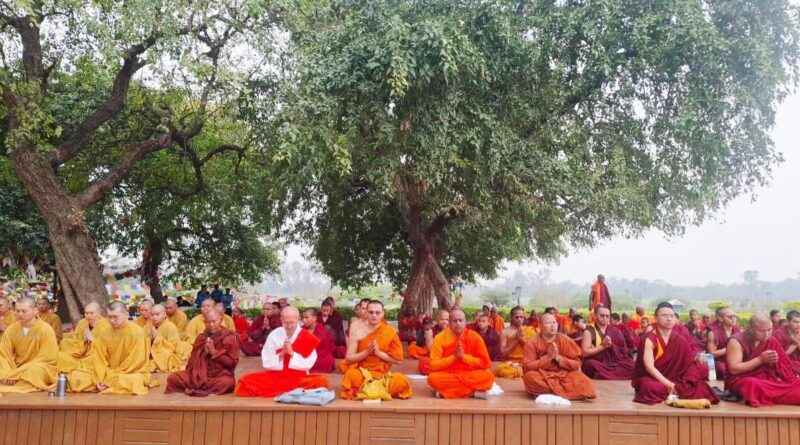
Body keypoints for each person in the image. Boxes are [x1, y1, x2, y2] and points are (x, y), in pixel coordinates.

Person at [631, 302, 718, 405]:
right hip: (653, 378)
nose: (669, 319)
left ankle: (675, 393)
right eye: (664, 315)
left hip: (675, 378)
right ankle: (676, 393)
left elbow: (689, 363)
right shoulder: (649, 339)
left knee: (702, 385)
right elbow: (649, 367)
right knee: (649, 387)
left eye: (671, 316)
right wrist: (670, 385)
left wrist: (687, 378)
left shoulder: (679, 339)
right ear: (655, 318)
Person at [236, 306, 328, 397]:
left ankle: (288, 390)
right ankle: (294, 391)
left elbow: (308, 364)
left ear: (298, 319)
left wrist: (292, 354)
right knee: (245, 382)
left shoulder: (307, 337)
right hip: (277, 377)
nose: (289, 326)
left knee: (321, 380)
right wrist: (282, 353)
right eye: (285, 323)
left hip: (299, 378)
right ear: (281, 319)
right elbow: (266, 361)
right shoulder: (274, 335)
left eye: (292, 322)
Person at [66, 301, 155, 394]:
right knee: (76, 377)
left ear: (126, 314)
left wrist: (110, 376)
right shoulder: (104, 331)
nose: (111, 320)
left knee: (134, 381)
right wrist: (101, 377)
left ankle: (107, 384)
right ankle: (106, 385)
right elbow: (99, 358)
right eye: (109, 316)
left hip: (128, 373)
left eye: (115, 317)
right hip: (107, 371)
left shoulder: (137, 332)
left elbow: (135, 363)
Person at [340, 300, 411, 400]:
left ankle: (369, 390)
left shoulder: (390, 331)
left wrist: (378, 353)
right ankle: (379, 390)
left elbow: (398, 360)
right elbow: (348, 359)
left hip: (383, 375)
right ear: (366, 313)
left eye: (377, 312)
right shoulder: (357, 332)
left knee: (401, 380)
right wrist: (367, 352)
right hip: (363, 374)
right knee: (350, 375)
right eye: (371, 312)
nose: (374, 315)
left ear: (382, 314)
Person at [726, 313, 800, 407]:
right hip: (742, 380)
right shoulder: (736, 341)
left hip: (769, 380)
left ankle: (777, 394)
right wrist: (760, 360)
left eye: (769, 330)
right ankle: (778, 395)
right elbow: (734, 369)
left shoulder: (771, 340)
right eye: (761, 331)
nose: (767, 334)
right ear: (750, 328)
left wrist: (791, 380)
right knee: (752, 384)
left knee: (796, 383)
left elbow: (785, 365)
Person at [165, 309, 240, 396]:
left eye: (214, 321)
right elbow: (191, 363)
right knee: (173, 378)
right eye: (208, 322)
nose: (211, 325)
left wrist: (214, 352)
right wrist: (203, 352)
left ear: (221, 320)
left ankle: (199, 387)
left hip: (218, 376)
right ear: (204, 322)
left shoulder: (230, 338)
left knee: (227, 383)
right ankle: (202, 386)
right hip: (197, 375)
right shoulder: (201, 338)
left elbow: (232, 363)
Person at [522, 312, 596, 400]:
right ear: (540, 325)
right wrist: (548, 358)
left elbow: (576, 364)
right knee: (530, 378)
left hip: (565, 375)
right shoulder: (532, 342)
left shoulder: (565, 339)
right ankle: (568, 393)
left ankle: (550, 394)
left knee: (585, 381)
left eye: (554, 322)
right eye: (548, 323)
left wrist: (558, 358)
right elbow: (527, 367)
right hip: (542, 375)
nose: (552, 325)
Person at [427, 309, 495, 399]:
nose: (458, 323)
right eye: (455, 321)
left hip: (469, 373)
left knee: (488, 377)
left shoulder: (475, 337)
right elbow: (434, 365)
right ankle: (473, 393)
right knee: (432, 379)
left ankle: (447, 392)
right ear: (449, 322)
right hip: (448, 373)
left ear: (465, 322)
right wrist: (454, 357)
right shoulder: (440, 338)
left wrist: (464, 357)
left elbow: (485, 363)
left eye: (460, 320)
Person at [0, 297, 58, 393]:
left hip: (37, 367)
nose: (20, 314)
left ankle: (15, 382)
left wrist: (16, 373)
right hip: (16, 367)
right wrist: (7, 373)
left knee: (35, 371)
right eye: (17, 311)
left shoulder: (45, 330)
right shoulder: (11, 329)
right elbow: (4, 354)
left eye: (24, 311)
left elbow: (47, 358)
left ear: (35, 311)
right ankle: (10, 379)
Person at [581, 306, 635, 380]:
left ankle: (607, 374)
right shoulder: (589, 331)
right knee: (589, 364)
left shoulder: (615, 331)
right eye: (602, 315)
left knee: (634, 366)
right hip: (598, 362)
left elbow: (623, 351)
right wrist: (603, 346)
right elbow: (585, 352)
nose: (605, 318)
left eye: (607, 316)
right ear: (595, 315)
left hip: (615, 361)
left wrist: (614, 348)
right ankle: (610, 373)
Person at [58, 302, 109, 371]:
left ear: (98, 312)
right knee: (65, 342)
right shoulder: (82, 322)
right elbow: (75, 337)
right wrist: (84, 341)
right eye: (86, 313)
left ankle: (75, 363)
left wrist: (92, 340)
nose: (88, 315)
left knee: (95, 358)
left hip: (93, 352)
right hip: (80, 348)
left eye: (91, 313)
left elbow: (105, 346)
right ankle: (70, 360)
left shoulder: (105, 325)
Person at [148, 304, 191, 372]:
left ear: (164, 315)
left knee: (163, 357)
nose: (154, 317)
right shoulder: (148, 326)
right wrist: (150, 339)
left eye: (157, 314)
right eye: (152, 315)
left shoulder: (170, 327)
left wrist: (158, 338)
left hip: (167, 354)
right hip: (152, 353)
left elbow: (174, 346)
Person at [495, 307, 536, 378]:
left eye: (521, 317)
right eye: (516, 317)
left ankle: (521, 369)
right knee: (501, 371)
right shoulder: (505, 332)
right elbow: (503, 354)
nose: (519, 319)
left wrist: (521, 340)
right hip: (510, 362)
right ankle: (521, 370)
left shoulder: (528, 330)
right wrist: (516, 339)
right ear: (511, 318)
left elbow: (533, 351)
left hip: (525, 361)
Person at [707, 306, 740, 379]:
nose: (733, 319)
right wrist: (729, 348)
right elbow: (712, 354)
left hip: (735, 360)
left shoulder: (738, 331)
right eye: (730, 317)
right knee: (721, 369)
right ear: (720, 318)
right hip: (718, 361)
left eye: (734, 316)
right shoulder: (713, 333)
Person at [302, 308, 335, 373]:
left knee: (329, 362)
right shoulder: (301, 329)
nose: (304, 320)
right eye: (303, 318)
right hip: (305, 356)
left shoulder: (321, 329)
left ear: (314, 318)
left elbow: (326, 349)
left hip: (319, 357)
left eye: (306, 318)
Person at [772, 310, 800, 374]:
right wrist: (794, 344)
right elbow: (779, 357)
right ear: (787, 321)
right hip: (785, 363)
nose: (799, 325)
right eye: (795, 322)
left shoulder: (798, 332)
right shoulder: (778, 334)